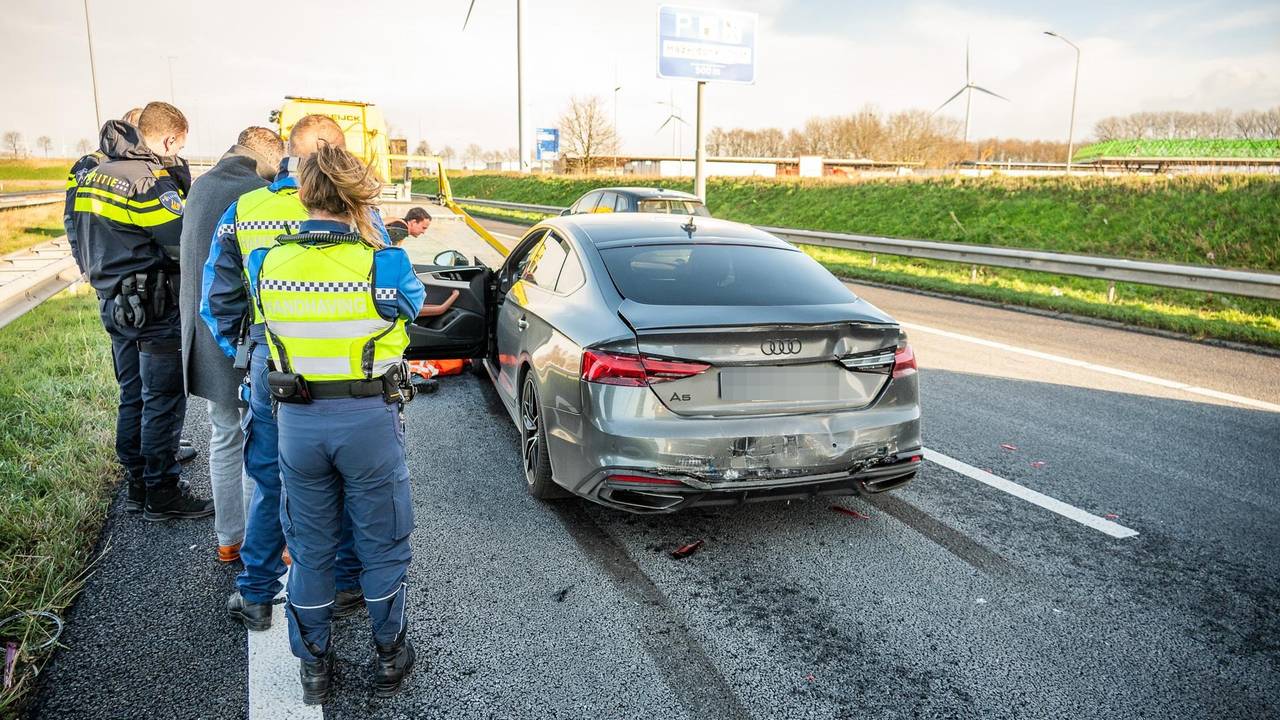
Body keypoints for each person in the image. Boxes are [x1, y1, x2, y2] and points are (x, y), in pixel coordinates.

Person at [248, 142, 422, 703]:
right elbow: (410, 307)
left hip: (298, 423)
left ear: (304, 195)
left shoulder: (266, 263)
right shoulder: (385, 263)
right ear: (359, 197)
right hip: (368, 420)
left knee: (310, 548)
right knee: (381, 542)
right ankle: (390, 656)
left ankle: (315, 669)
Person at [204, 115, 386, 630]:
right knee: (346, 476)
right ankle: (345, 584)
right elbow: (391, 295)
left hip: (274, 363)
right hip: (348, 368)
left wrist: (251, 352)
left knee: (271, 479)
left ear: (291, 150)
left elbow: (217, 300)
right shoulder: (361, 211)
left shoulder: (244, 210)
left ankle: (257, 594)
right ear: (331, 154)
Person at [71, 101, 214, 520]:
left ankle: (137, 484)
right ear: (169, 140)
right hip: (154, 306)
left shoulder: (94, 173)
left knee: (132, 395)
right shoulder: (147, 181)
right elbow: (181, 243)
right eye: (179, 146)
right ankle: (163, 491)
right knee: (163, 399)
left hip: (114, 301)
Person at [180, 126, 284, 562]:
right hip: (239, 337)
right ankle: (260, 542)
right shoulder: (254, 194)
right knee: (255, 440)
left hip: (202, 336)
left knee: (222, 437)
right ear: (267, 157)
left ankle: (229, 539)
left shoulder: (200, 186)